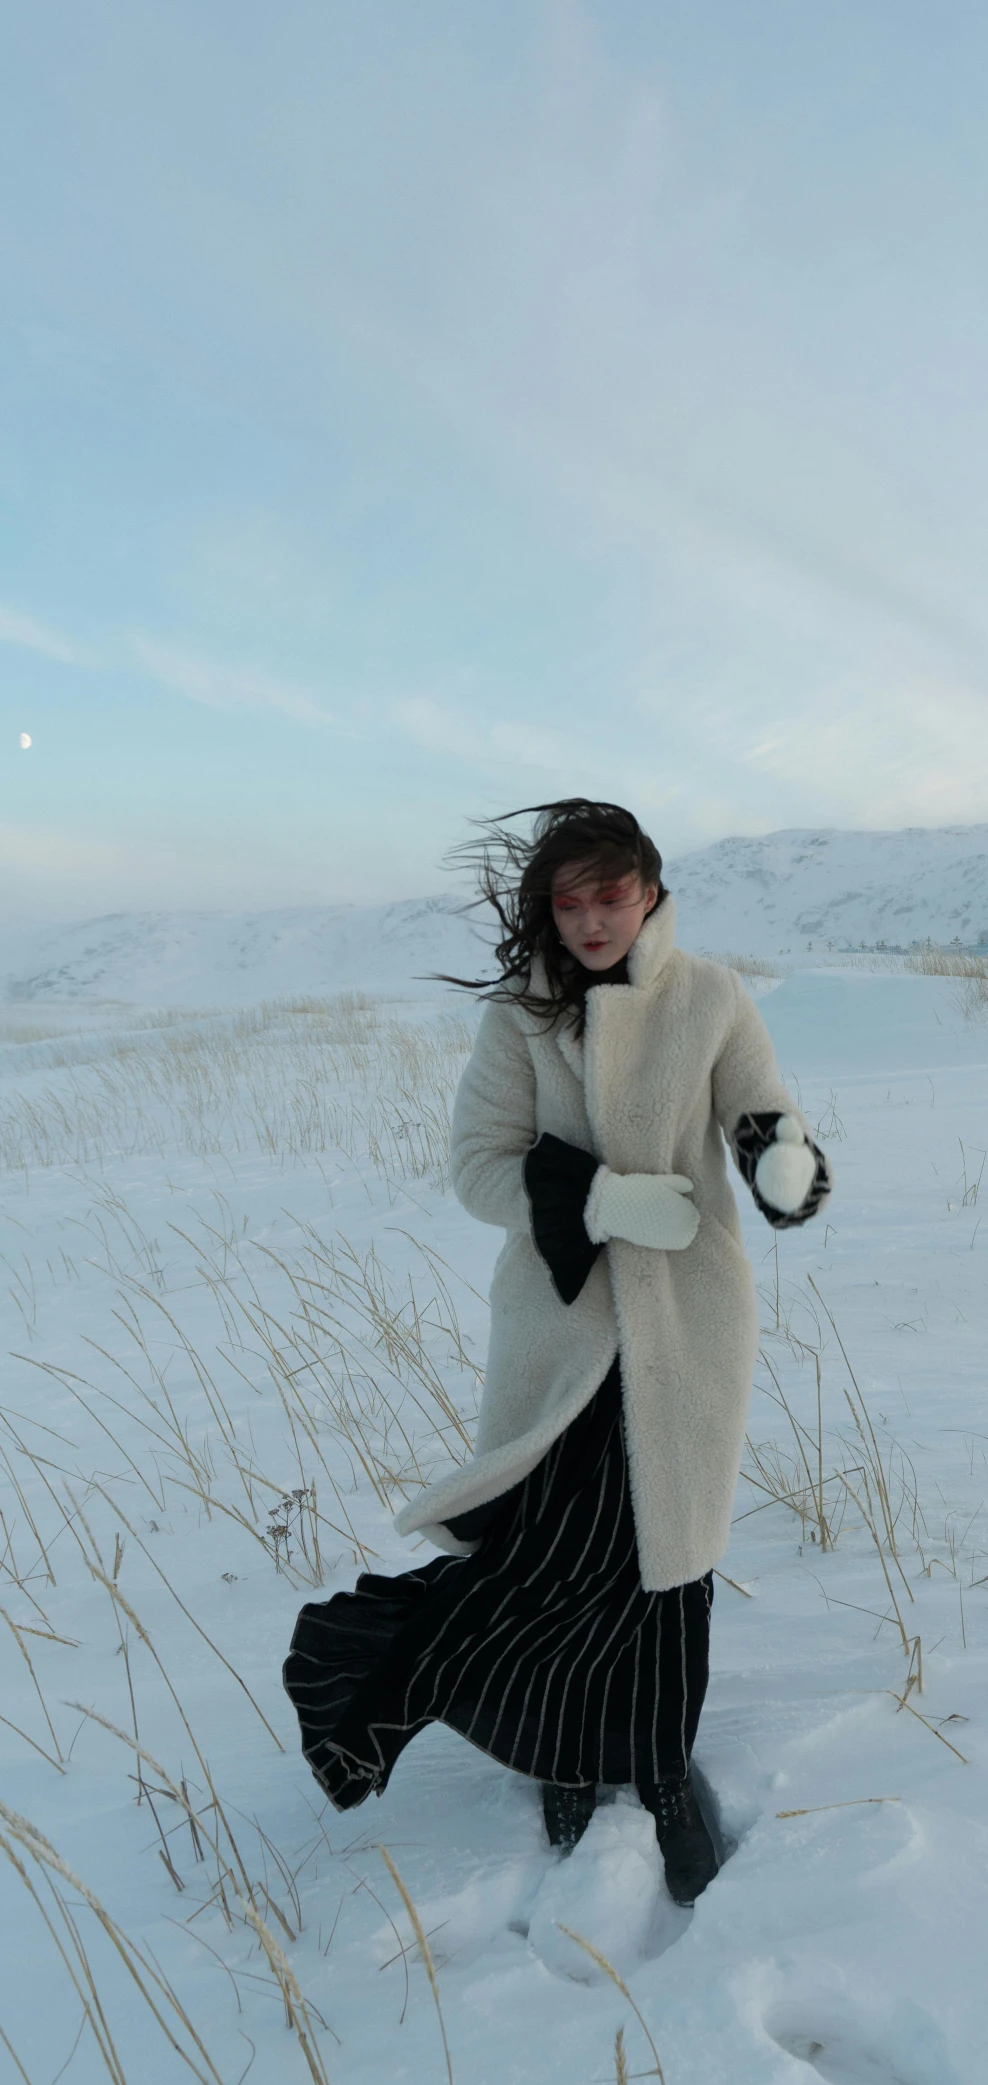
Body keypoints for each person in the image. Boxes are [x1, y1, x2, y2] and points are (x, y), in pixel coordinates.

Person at [283, 799, 830, 1902]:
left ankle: (664, 1772)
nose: (589, 919)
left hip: (685, 1327)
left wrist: (783, 1165)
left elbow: (761, 1114)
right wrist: (602, 1199)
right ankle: (565, 1755)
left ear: (650, 889)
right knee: (549, 1553)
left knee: (669, 1563)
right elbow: (479, 1165)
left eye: (609, 894)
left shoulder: (710, 998)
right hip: (563, 1328)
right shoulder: (522, 1022)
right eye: (567, 900)